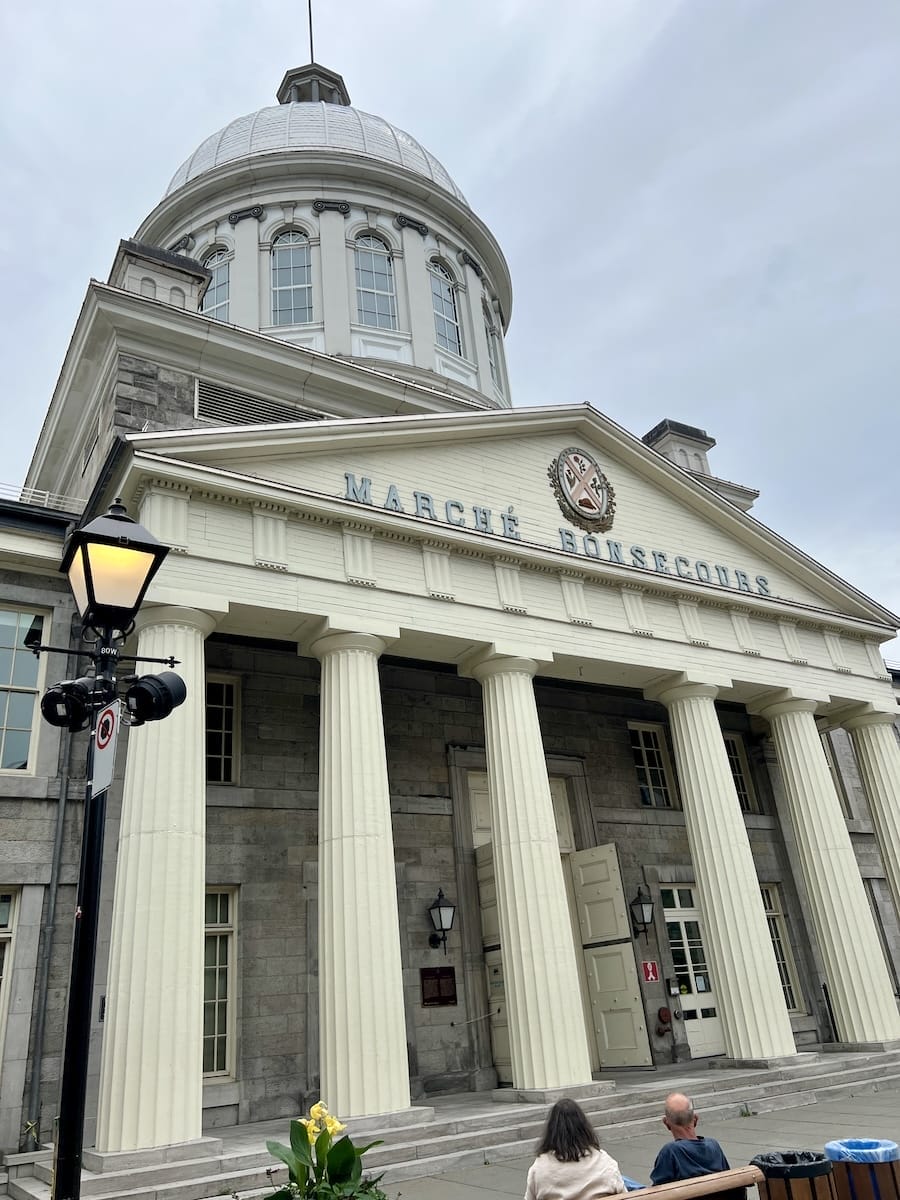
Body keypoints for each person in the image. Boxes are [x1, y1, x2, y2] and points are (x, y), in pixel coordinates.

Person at [524, 1097, 625, 1200]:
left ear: (552, 1130)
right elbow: (624, 1195)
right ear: (584, 1127)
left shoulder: (540, 1168)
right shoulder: (604, 1162)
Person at [651, 1092, 744, 1199]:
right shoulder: (713, 1146)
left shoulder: (670, 1152)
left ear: (666, 1123)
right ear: (695, 1119)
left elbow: (658, 1193)